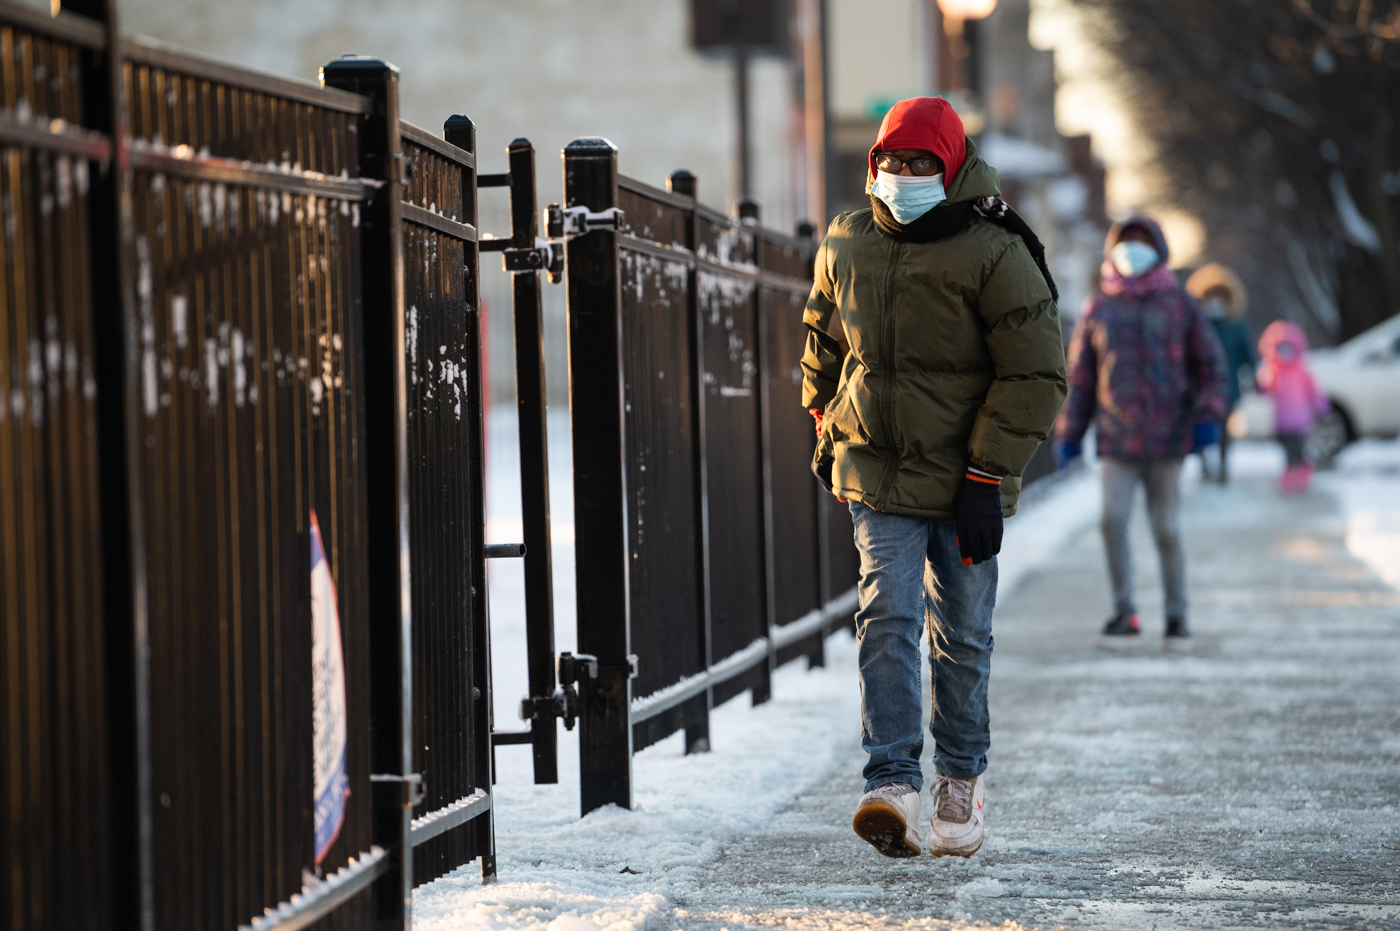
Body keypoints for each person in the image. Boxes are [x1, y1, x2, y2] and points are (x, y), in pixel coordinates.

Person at [800, 97, 1066, 860]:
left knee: (963, 635)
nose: (905, 176)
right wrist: (824, 417)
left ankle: (959, 780)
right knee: (886, 616)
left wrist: (987, 473)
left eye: (922, 164)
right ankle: (891, 782)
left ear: (950, 168)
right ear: (874, 164)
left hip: (966, 481)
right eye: (893, 162)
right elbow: (821, 334)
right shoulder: (847, 241)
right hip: (878, 467)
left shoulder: (994, 248)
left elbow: (1036, 368)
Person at [1054, 217, 1226, 646]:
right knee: (1112, 521)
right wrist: (1069, 433)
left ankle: (1176, 617)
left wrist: (1207, 416)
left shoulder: (1181, 304)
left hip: (1169, 439)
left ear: (1160, 250)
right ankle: (1124, 613)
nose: (1133, 249)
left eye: (1142, 242)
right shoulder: (1099, 306)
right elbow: (1081, 378)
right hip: (1118, 441)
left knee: (1166, 528)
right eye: (1125, 242)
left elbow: (1211, 367)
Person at [1185, 263, 1257, 484]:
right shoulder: (1196, 324)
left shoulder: (1236, 325)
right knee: (1201, 426)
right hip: (1200, 388)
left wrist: (1254, 377)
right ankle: (1205, 465)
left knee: (1224, 432)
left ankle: (1223, 466)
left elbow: (1248, 356)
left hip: (1229, 389)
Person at [1256, 320, 1330, 493]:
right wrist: (1259, 386)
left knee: (1298, 448)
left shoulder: (1302, 371)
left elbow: (1314, 392)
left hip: (1301, 420)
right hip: (1282, 421)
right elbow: (1266, 389)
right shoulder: (1274, 371)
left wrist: (1323, 408)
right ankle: (1291, 472)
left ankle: (1301, 471)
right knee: (1286, 449)